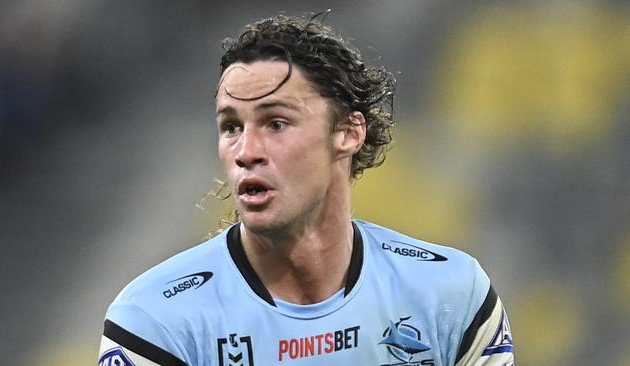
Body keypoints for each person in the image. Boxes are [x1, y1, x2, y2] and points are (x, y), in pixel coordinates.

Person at [98, 12, 514, 366]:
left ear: (349, 133)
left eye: (276, 123)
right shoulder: (155, 322)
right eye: (231, 127)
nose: (246, 152)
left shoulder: (451, 298)